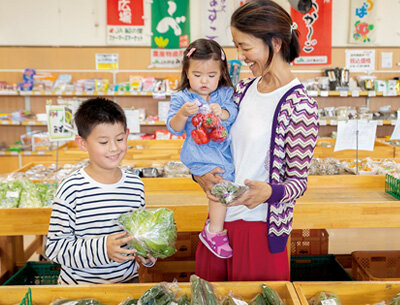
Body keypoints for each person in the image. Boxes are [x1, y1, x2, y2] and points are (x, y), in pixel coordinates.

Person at [194, 0, 319, 281]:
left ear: (274, 43)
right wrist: (198, 174)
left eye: (245, 47)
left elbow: (298, 183)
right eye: (237, 47)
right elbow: (215, 143)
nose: (240, 56)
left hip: (260, 228)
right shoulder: (243, 90)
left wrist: (268, 193)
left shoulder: (300, 105)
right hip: (219, 224)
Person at [45, 97, 156, 284]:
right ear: (82, 143)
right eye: (103, 142)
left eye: (120, 139)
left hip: (126, 284)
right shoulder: (71, 189)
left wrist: (145, 252)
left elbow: (135, 236)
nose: (114, 148)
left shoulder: (135, 184)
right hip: (81, 289)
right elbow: (55, 248)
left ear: (127, 135)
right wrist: (103, 249)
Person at [167, 38, 238, 259]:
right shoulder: (181, 97)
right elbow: (174, 127)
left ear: (222, 73)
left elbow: (233, 113)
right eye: (197, 75)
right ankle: (214, 232)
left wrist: (223, 112)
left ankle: (215, 227)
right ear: (186, 73)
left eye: (211, 76)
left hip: (222, 152)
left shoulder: (225, 94)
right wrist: (182, 114)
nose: (204, 81)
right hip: (198, 155)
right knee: (220, 187)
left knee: (224, 189)